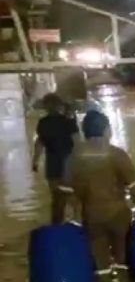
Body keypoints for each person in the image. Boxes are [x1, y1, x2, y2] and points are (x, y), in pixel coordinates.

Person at [59, 111, 135, 282]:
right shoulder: (116, 154)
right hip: (118, 215)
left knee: (101, 261)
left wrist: (68, 221)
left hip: (92, 217)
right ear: (106, 130)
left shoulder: (73, 158)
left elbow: (67, 196)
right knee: (122, 259)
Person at [32, 94, 80, 224]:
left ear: (46, 107)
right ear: (60, 105)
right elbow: (77, 142)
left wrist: (35, 162)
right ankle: (78, 227)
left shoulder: (43, 123)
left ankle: (57, 227)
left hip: (52, 164)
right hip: (69, 163)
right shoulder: (68, 122)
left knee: (57, 198)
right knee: (73, 198)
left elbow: (39, 143)